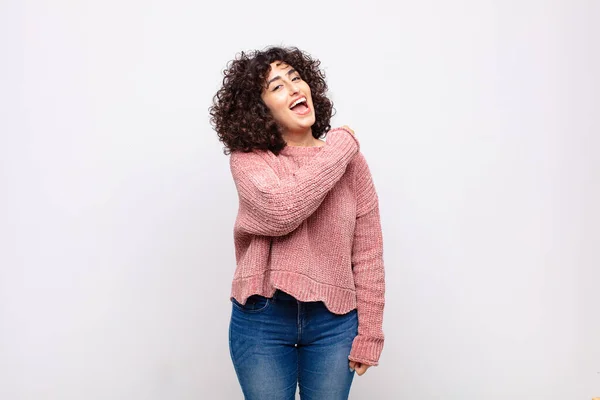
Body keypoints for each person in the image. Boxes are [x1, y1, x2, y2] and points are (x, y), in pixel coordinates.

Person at [209, 46, 385, 400]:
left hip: (334, 323)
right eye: (276, 87)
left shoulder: (351, 163)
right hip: (262, 318)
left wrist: (371, 333)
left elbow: (367, 254)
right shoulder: (250, 161)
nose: (293, 88)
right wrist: (340, 146)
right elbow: (282, 210)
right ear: (260, 110)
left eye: (295, 78)